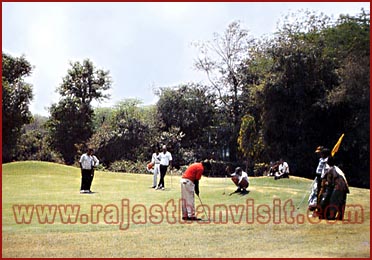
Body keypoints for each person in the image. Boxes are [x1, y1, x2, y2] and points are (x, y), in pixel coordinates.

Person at [308, 146, 330, 216]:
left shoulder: (327, 160)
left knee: (319, 194)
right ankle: (314, 207)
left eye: (321, 153)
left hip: (321, 179)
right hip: (318, 177)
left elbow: (325, 171)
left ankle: (317, 210)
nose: (319, 154)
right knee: (314, 192)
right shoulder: (321, 159)